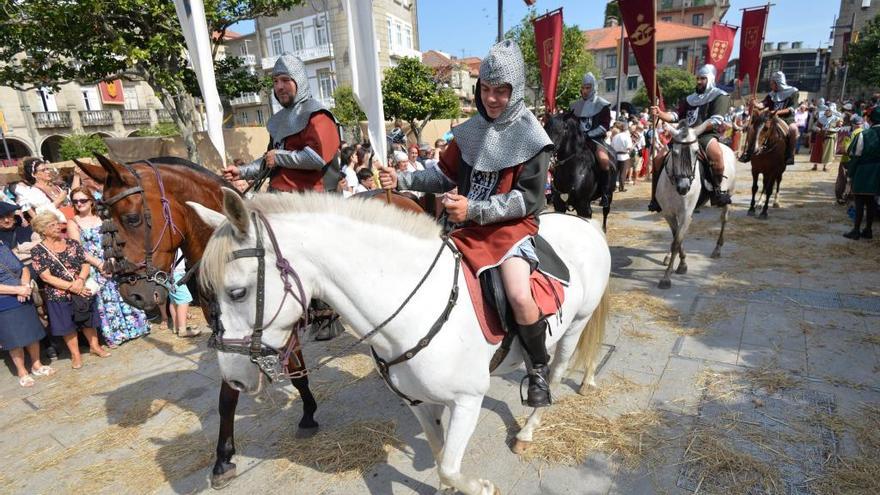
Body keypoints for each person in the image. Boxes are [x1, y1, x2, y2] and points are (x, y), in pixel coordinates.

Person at [378, 40, 556, 407]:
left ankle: (538, 369)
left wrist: (473, 209)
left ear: (516, 90)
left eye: (501, 91)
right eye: (486, 89)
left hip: (511, 231)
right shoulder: (470, 130)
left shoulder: (532, 136)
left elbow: (528, 200)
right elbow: (443, 176)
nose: (491, 99)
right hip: (463, 226)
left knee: (519, 294)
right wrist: (403, 180)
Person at [222, 54, 341, 193]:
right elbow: (270, 159)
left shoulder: (318, 115)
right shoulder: (279, 120)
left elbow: (316, 158)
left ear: (299, 81)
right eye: (275, 81)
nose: (279, 87)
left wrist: (279, 157)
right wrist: (242, 171)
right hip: (279, 197)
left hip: (312, 201)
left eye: (285, 80)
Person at [67, 187, 150, 347]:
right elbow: (78, 250)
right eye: (75, 201)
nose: (79, 204)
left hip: (113, 259)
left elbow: (113, 238)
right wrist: (99, 264)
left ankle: (137, 327)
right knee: (106, 300)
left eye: (83, 200)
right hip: (93, 265)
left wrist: (111, 259)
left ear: (91, 201)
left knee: (123, 291)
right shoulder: (74, 222)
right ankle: (116, 334)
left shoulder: (102, 217)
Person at [30, 212, 110, 369]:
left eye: (57, 223)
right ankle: (75, 354)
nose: (57, 227)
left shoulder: (72, 243)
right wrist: (72, 287)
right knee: (67, 326)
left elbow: (85, 263)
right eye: (51, 225)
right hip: (59, 294)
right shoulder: (38, 251)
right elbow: (46, 277)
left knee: (88, 319)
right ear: (42, 230)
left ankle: (95, 347)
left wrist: (80, 281)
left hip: (81, 288)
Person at [649, 64, 731, 211]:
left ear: (710, 79)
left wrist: (696, 131)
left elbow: (717, 119)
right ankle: (655, 197)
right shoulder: (689, 99)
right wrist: (660, 114)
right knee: (658, 159)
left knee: (717, 156)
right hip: (683, 136)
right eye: (698, 78)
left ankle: (718, 191)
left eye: (703, 79)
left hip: (705, 135)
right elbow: (675, 116)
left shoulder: (720, 96)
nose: (699, 81)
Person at [0, 240, 55, 387]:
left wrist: (24, 285)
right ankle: (22, 371)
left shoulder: (2, 246)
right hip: (4, 302)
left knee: (32, 334)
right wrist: (17, 290)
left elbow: (23, 268)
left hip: (24, 296)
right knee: (14, 339)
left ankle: (36, 365)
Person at [570, 72, 614, 206]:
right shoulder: (574, 106)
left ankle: (605, 192)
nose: (584, 90)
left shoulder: (602, 105)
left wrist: (588, 134)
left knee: (604, 161)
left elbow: (604, 126)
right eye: (583, 87)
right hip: (577, 141)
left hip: (595, 141)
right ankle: (559, 191)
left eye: (588, 87)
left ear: (594, 87)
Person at [742, 71, 800, 165]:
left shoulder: (793, 91)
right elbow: (763, 104)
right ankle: (749, 152)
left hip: (786, 119)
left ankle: (790, 155)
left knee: (793, 130)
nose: (770, 85)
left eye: (772, 83)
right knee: (752, 128)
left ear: (778, 83)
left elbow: (792, 108)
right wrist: (755, 103)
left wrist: (776, 112)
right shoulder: (771, 94)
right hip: (771, 118)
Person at [843, 106, 880, 240]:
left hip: (865, 171)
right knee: (871, 201)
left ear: (869, 120)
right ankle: (868, 230)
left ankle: (856, 230)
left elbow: (855, 156)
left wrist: (850, 174)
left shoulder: (863, 135)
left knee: (860, 200)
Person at [838, 114, 865, 204]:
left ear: (853, 125)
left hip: (848, 160)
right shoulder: (866, 133)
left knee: (844, 180)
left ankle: (843, 197)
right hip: (862, 162)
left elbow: (844, 150)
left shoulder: (850, 134)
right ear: (862, 124)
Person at [817, 104, 843, 172]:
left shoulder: (836, 118)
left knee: (828, 152)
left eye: (829, 110)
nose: (828, 111)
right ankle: (816, 165)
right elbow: (816, 126)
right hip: (821, 135)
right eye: (827, 110)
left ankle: (825, 166)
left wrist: (832, 130)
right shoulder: (822, 118)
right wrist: (818, 129)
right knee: (819, 151)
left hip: (830, 136)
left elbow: (839, 127)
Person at [611, 121, 633, 192]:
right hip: (624, 156)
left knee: (615, 172)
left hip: (616, 156)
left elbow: (612, 146)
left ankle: (614, 186)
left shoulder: (615, 136)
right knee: (623, 172)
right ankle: (621, 187)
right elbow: (629, 147)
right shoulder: (627, 137)